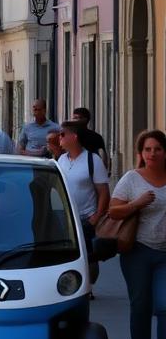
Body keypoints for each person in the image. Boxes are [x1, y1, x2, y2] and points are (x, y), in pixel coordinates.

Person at [108, 130, 166, 339]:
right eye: (148, 149)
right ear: (140, 153)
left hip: (165, 253)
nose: (152, 154)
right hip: (138, 252)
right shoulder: (132, 179)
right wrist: (137, 203)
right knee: (140, 306)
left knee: (165, 306)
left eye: (158, 149)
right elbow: (113, 211)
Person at [57, 120, 110, 287]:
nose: (60, 137)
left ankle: (88, 286)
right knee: (67, 255)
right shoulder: (61, 159)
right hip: (64, 218)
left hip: (86, 217)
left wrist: (97, 216)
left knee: (86, 255)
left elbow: (103, 192)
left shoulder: (92, 160)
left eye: (63, 134)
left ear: (74, 137)